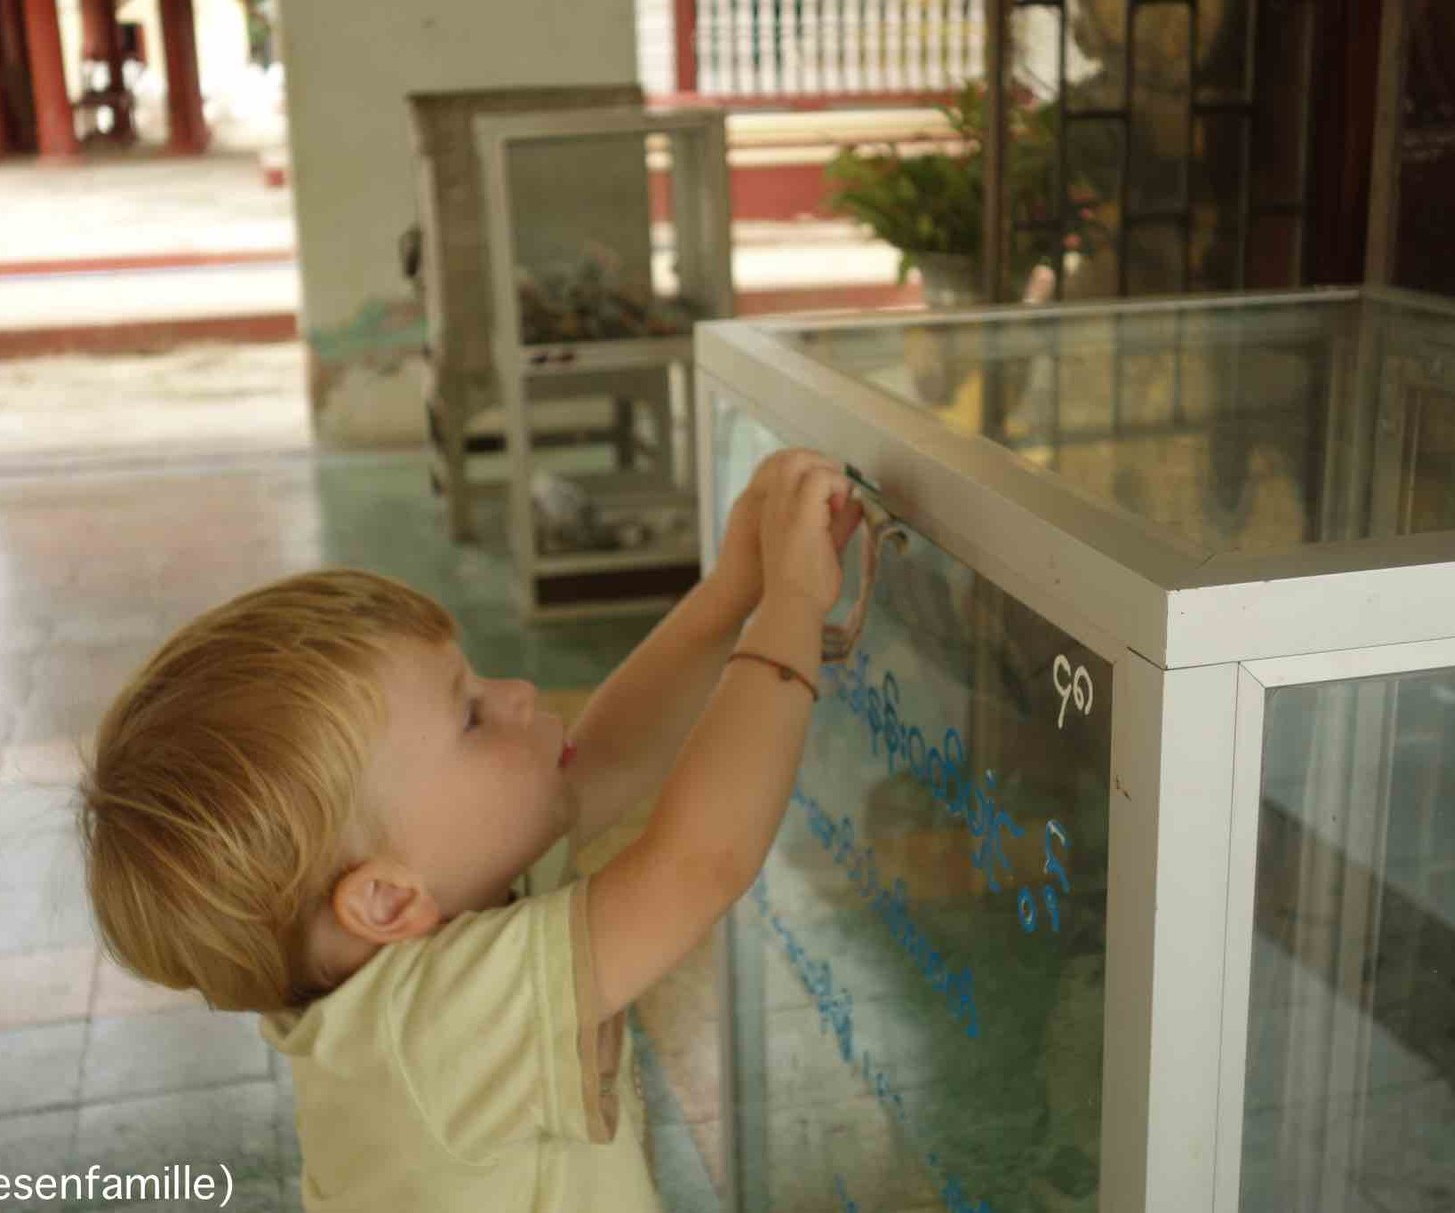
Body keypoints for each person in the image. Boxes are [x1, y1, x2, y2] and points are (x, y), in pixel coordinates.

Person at [77, 449, 864, 1210]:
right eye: (471, 715)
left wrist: (734, 590)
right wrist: (792, 607)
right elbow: (698, 863)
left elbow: (604, 762)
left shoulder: (446, 889)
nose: (519, 692)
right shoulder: (431, 1028)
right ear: (383, 900)